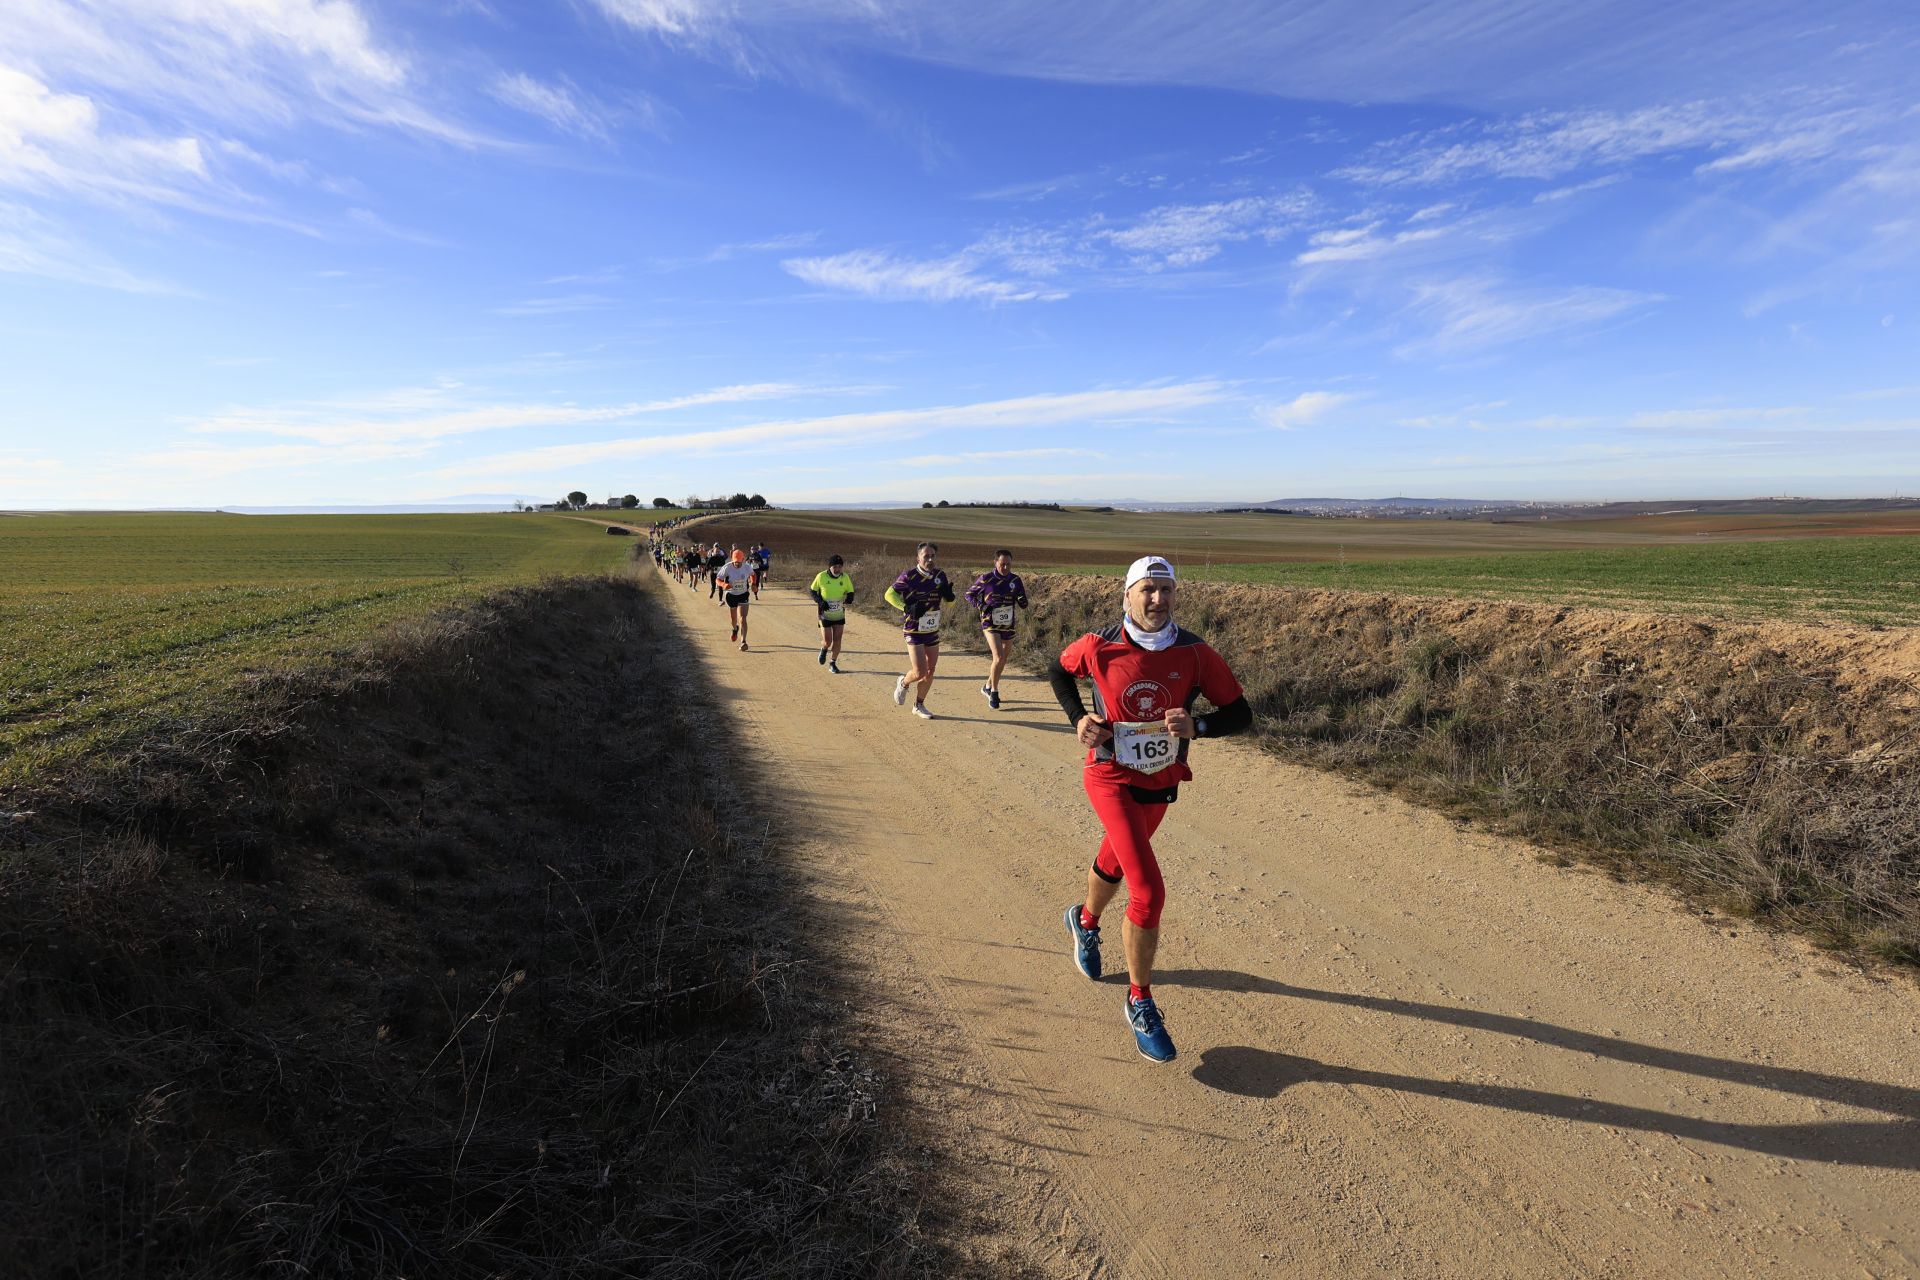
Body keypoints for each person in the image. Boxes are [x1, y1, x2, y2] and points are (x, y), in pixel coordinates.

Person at [1049, 556, 1253, 1064]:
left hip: (1160, 781)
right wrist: (1080, 718)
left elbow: (1240, 714)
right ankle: (1139, 1000)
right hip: (1109, 776)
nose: (1157, 599)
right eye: (1147, 589)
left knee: (1117, 860)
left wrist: (1198, 727)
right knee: (1147, 889)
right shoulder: (1099, 645)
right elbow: (1058, 668)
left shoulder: (1195, 653)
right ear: (1127, 595)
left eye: (1166, 590)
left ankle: (1086, 921)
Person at [883, 541, 954, 720]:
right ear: (918, 558)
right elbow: (889, 594)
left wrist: (950, 596)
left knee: (931, 670)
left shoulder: (940, 575)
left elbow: (950, 604)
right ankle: (904, 682)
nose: (930, 559)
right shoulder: (909, 576)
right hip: (914, 629)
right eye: (926, 556)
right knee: (920, 672)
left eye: (933, 556)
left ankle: (919, 705)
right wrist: (906, 608)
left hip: (932, 629)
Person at [964, 549, 1028, 710]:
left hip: (1008, 623)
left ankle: (986, 685)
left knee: (1003, 660)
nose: (1005, 567)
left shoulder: (1015, 579)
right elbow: (969, 594)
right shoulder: (986, 579)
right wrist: (981, 605)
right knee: (998, 657)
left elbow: (1023, 601)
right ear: (995, 563)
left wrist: (1022, 600)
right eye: (1002, 564)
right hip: (990, 622)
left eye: (1008, 564)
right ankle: (994, 691)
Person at [807, 554, 856, 672]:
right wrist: (820, 601)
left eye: (840, 567)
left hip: (839, 612)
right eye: (835, 567)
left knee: (838, 639)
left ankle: (832, 663)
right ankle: (824, 648)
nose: (838, 569)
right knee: (828, 641)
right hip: (825, 612)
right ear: (830, 567)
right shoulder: (821, 576)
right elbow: (813, 591)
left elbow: (850, 591)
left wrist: (849, 598)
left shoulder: (845, 577)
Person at [715, 549, 756, 650]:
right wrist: (723, 584)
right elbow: (718, 579)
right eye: (735, 561)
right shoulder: (727, 567)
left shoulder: (747, 567)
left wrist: (753, 584)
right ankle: (734, 629)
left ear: (742, 559)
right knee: (734, 620)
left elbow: (753, 574)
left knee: (743, 618)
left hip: (743, 594)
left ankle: (743, 641)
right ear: (732, 560)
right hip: (731, 595)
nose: (737, 563)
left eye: (739, 561)